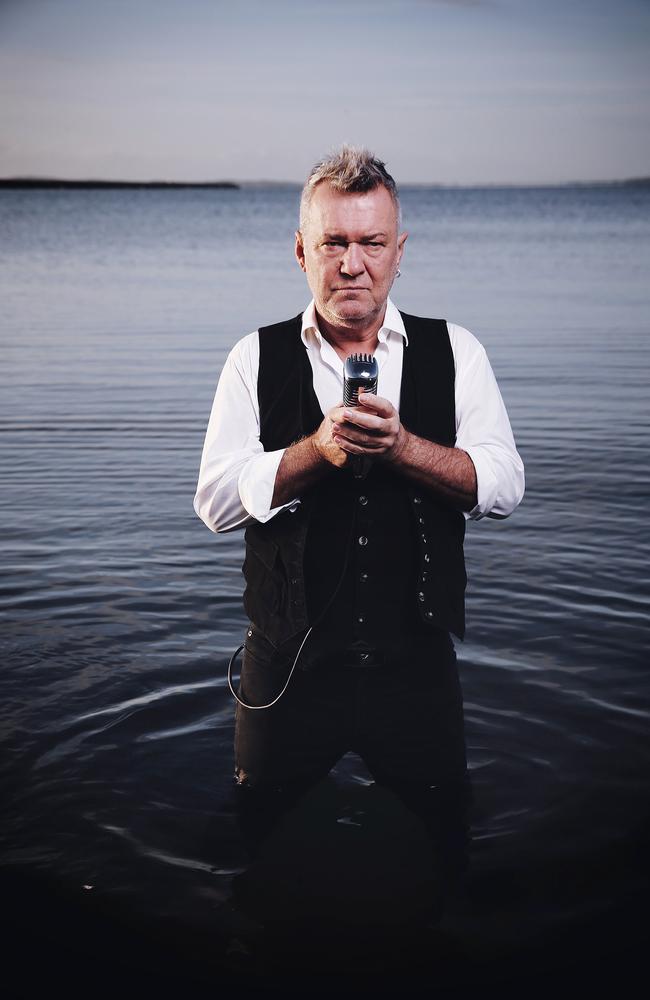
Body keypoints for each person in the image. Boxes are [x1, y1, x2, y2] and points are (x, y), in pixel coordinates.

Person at [194, 145, 525, 916]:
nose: (353, 264)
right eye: (334, 243)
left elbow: (505, 485)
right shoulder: (254, 356)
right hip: (287, 671)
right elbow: (214, 500)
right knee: (255, 857)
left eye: (372, 243)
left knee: (449, 848)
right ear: (301, 252)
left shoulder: (457, 351)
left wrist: (404, 449)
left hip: (416, 666)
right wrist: (318, 452)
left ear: (398, 253)